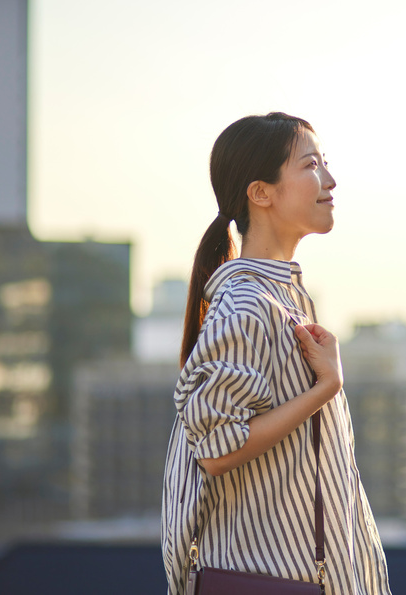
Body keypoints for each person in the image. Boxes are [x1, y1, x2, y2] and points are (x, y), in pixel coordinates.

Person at [161, 112, 392, 595]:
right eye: (311, 166)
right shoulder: (247, 303)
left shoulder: (278, 298)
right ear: (260, 193)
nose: (330, 179)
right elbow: (218, 450)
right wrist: (327, 387)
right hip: (272, 581)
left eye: (325, 163)